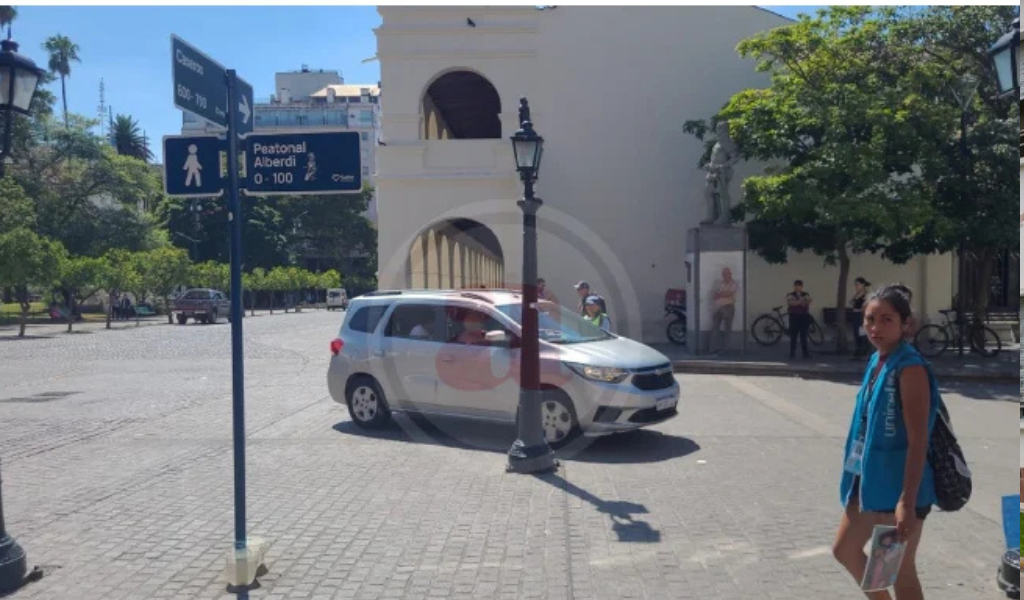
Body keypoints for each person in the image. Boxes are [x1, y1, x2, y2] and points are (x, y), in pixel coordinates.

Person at [832, 285, 939, 600]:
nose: (875, 328)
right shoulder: (878, 359)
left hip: (899, 489)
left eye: (886, 319)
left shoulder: (910, 367)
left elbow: (919, 439)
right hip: (870, 482)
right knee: (846, 551)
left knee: (899, 569)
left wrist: (906, 501)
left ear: (905, 324)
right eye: (870, 319)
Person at [710, 267, 739, 353]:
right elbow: (714, 295)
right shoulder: (719, 283)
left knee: (727, 328)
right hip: (718, 307)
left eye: (728, 273)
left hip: (728, 307)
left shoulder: (734, 283)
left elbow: (730, 293)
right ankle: (713, 348)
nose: (727, 275)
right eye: (725, 274)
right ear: (722, 275)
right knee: (715, 327)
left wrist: (720, 293)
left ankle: (726, 349)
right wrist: (719, 294)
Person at [786, 280, 813, 359]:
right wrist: (800, 301)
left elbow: (808, 301)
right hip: (794, 317)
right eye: (796, 286)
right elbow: (791, 303)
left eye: (799, 286)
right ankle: (792, 353)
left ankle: (805, 353)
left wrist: (798, 302)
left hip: (804, 317)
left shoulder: (806, 294)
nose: (797, 287)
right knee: (793, 336)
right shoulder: (790, 294)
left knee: (803, 336)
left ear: (802, 287)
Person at [851, 277, 871, 357]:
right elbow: (852, 302)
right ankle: (858, 349)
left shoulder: (866, 294)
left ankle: (864, 350)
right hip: (855, 315)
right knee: (856, 333)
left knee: (862, 333)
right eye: (855, 285)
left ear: (863, 285)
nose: (856, 286)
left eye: (857, 284)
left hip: (861, 315)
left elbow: (865, 306)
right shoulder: (857, 294)